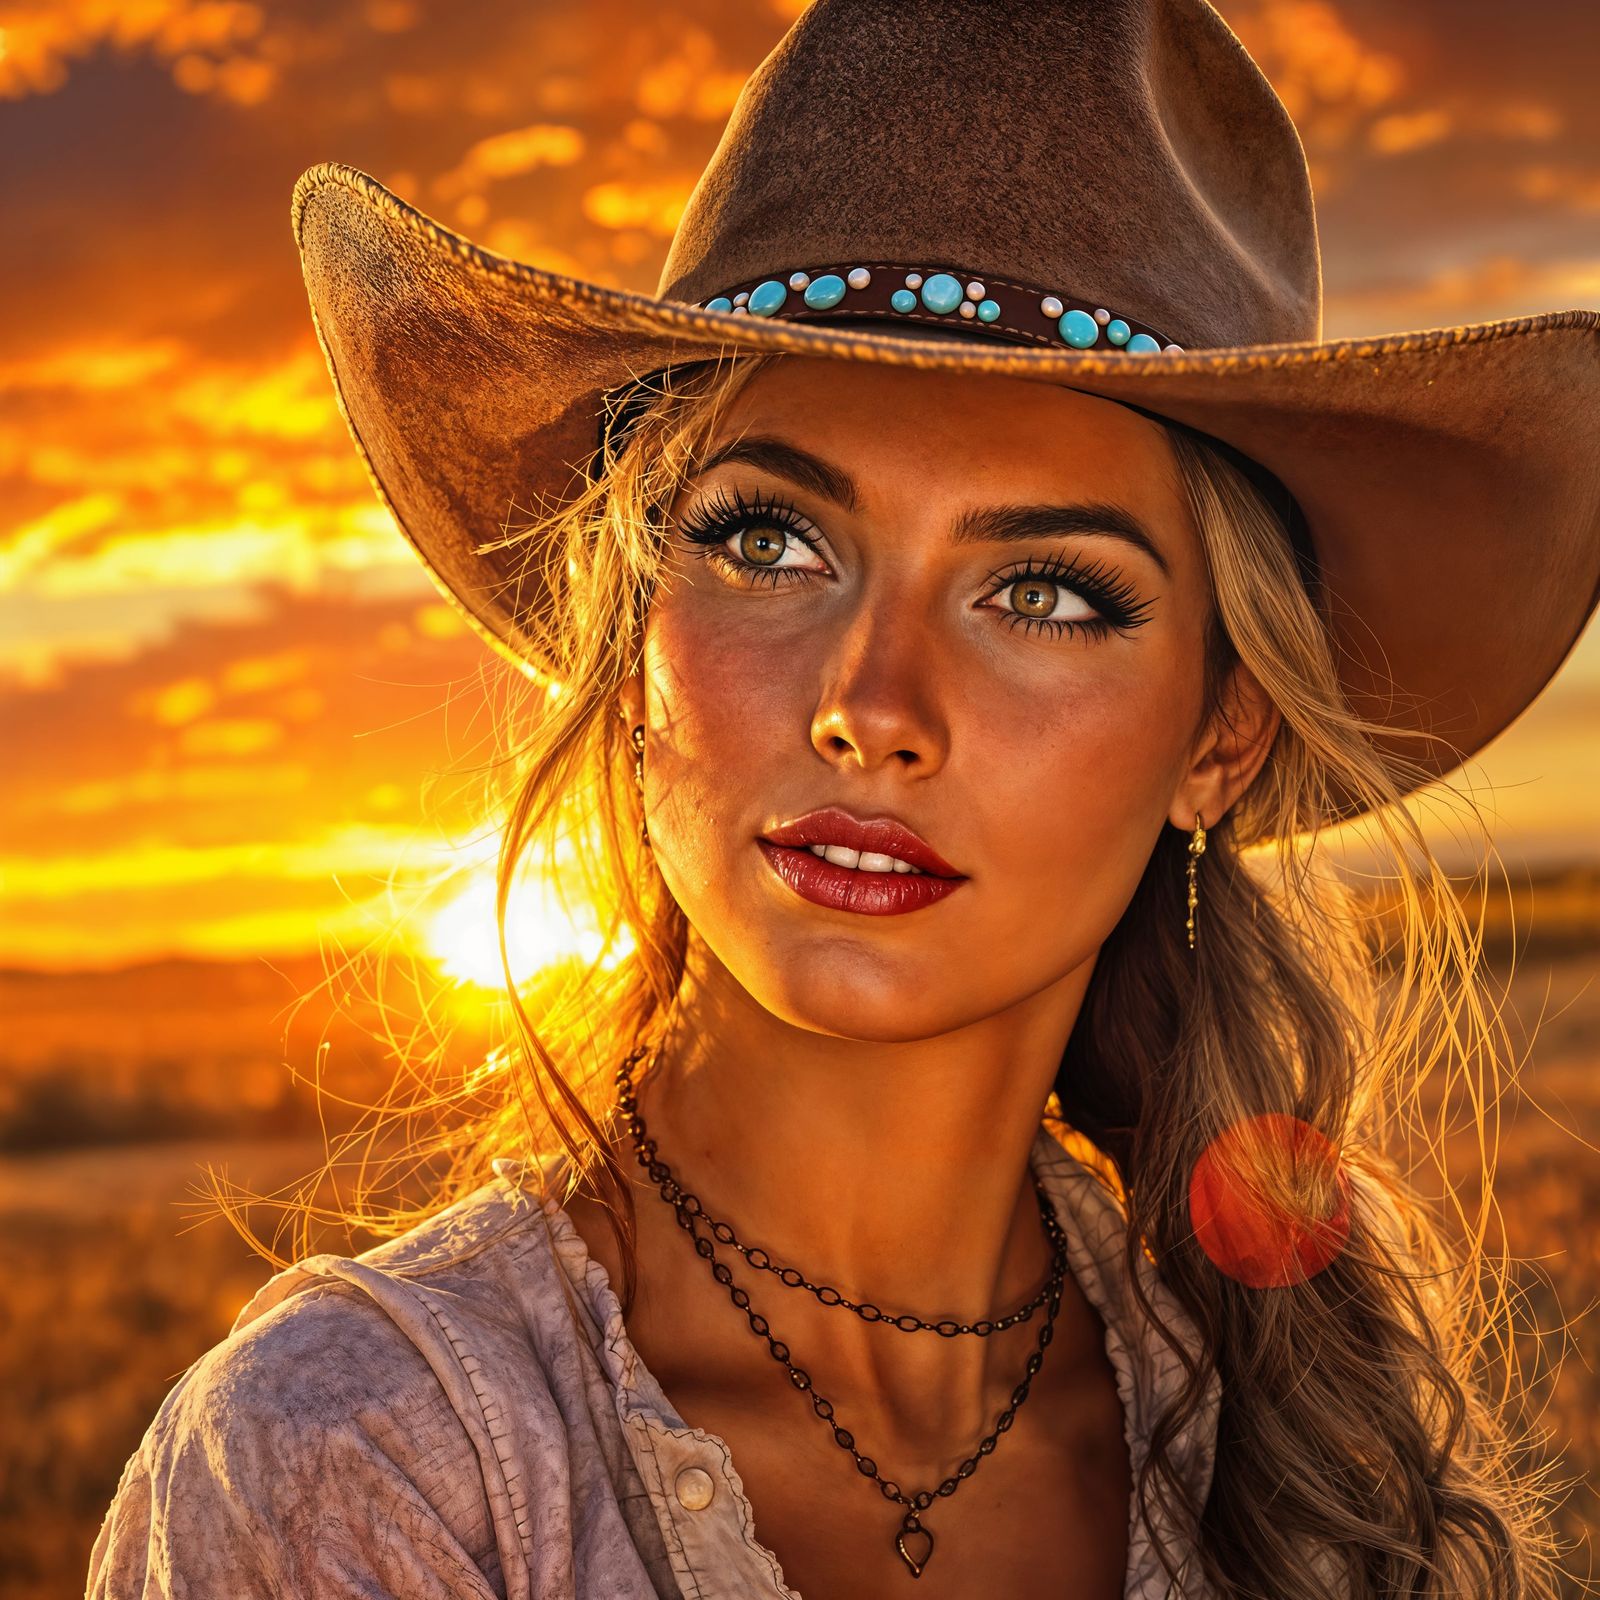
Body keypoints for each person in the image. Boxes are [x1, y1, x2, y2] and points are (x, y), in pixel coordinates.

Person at [87, 1, 1598, 1597]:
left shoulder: (1303, 1465)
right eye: (769, 542)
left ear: (1221, 737)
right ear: (628, 634)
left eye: (1046, 593)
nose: (872, 709)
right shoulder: (361, 1465)